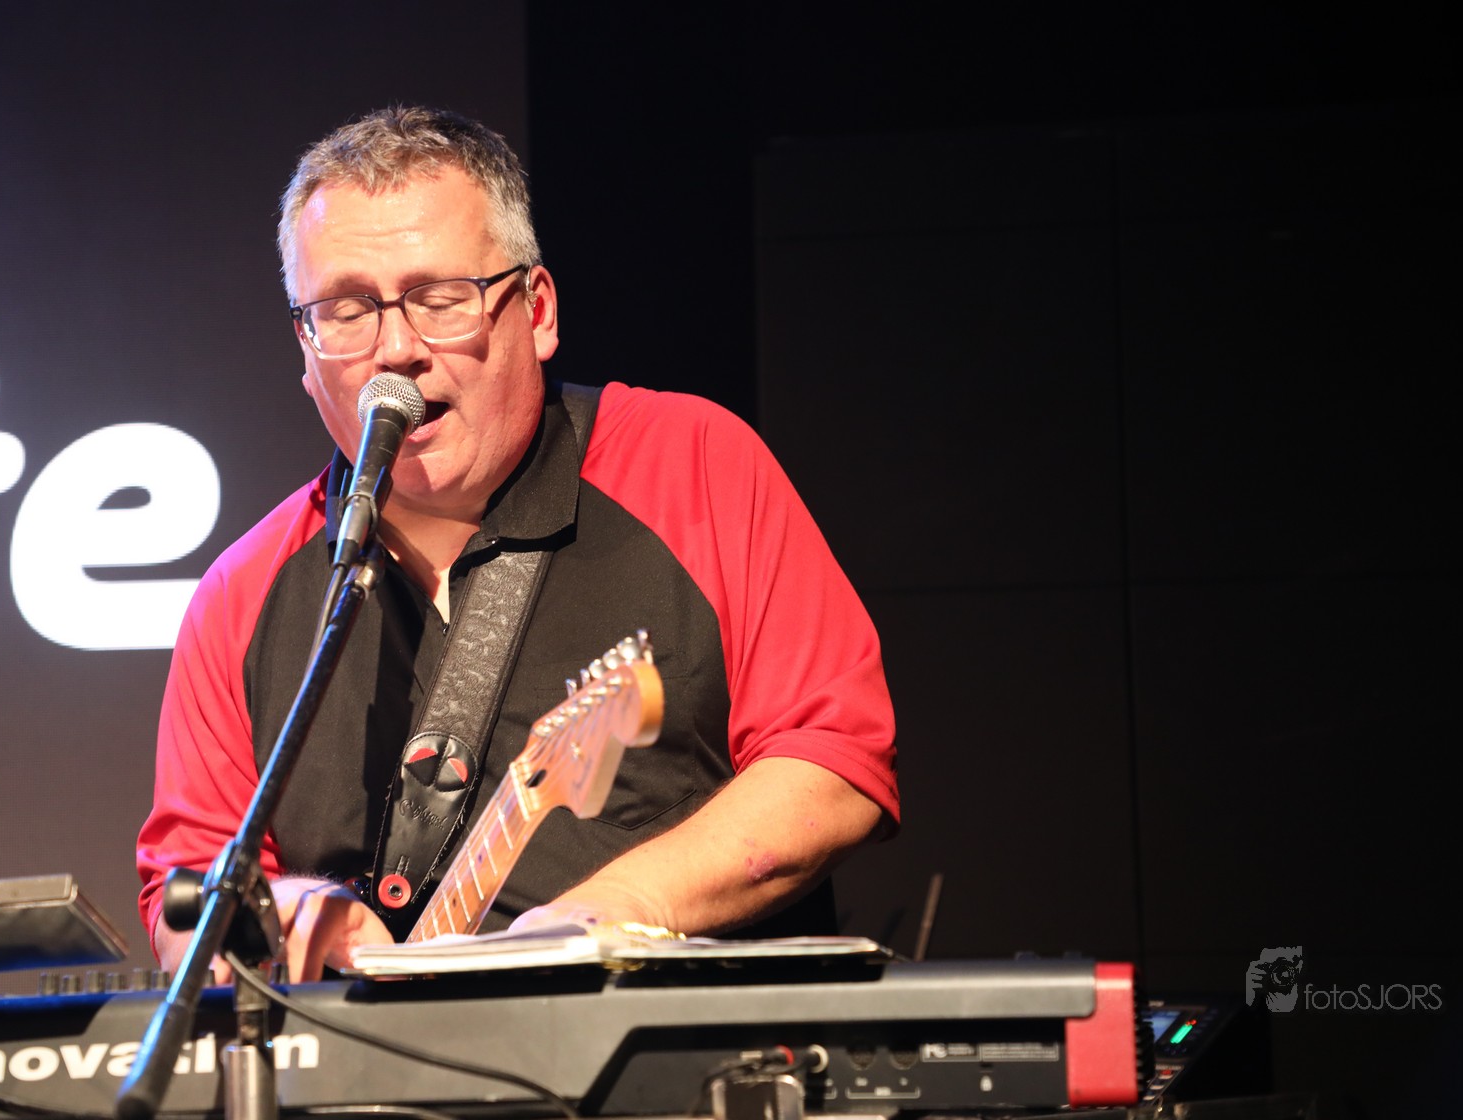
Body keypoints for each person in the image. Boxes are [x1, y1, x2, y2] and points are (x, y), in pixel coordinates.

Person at [135, 105, 898, 982]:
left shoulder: (693, 463)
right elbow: (184, 892)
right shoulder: (240, 592)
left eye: (439, 299)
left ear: (536, 311)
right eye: (346, 311)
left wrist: (618, 909)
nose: (395, 351)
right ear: (306, 354)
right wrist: (292, 913)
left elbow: (835, 762)